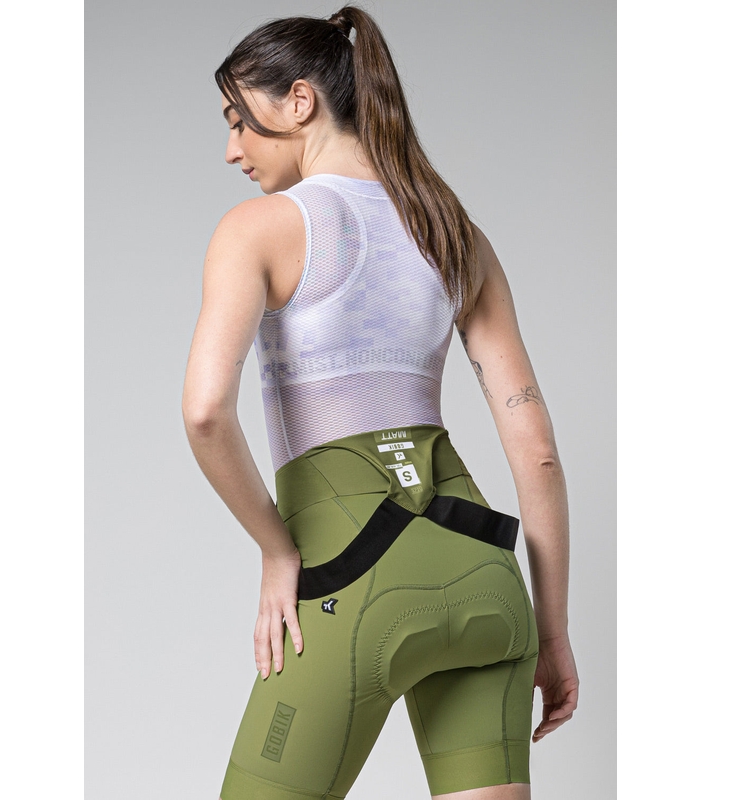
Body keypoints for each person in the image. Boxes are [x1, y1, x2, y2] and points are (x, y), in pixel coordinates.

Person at [182, 6, 578, 799]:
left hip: (352, 580)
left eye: (239, 120)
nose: (232, 149)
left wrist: (277, 552)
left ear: (299, 101)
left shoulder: (258, 229)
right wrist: (552, 631)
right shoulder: (455, 235)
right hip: (485, 577)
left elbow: (205, 413)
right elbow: (535, 448)